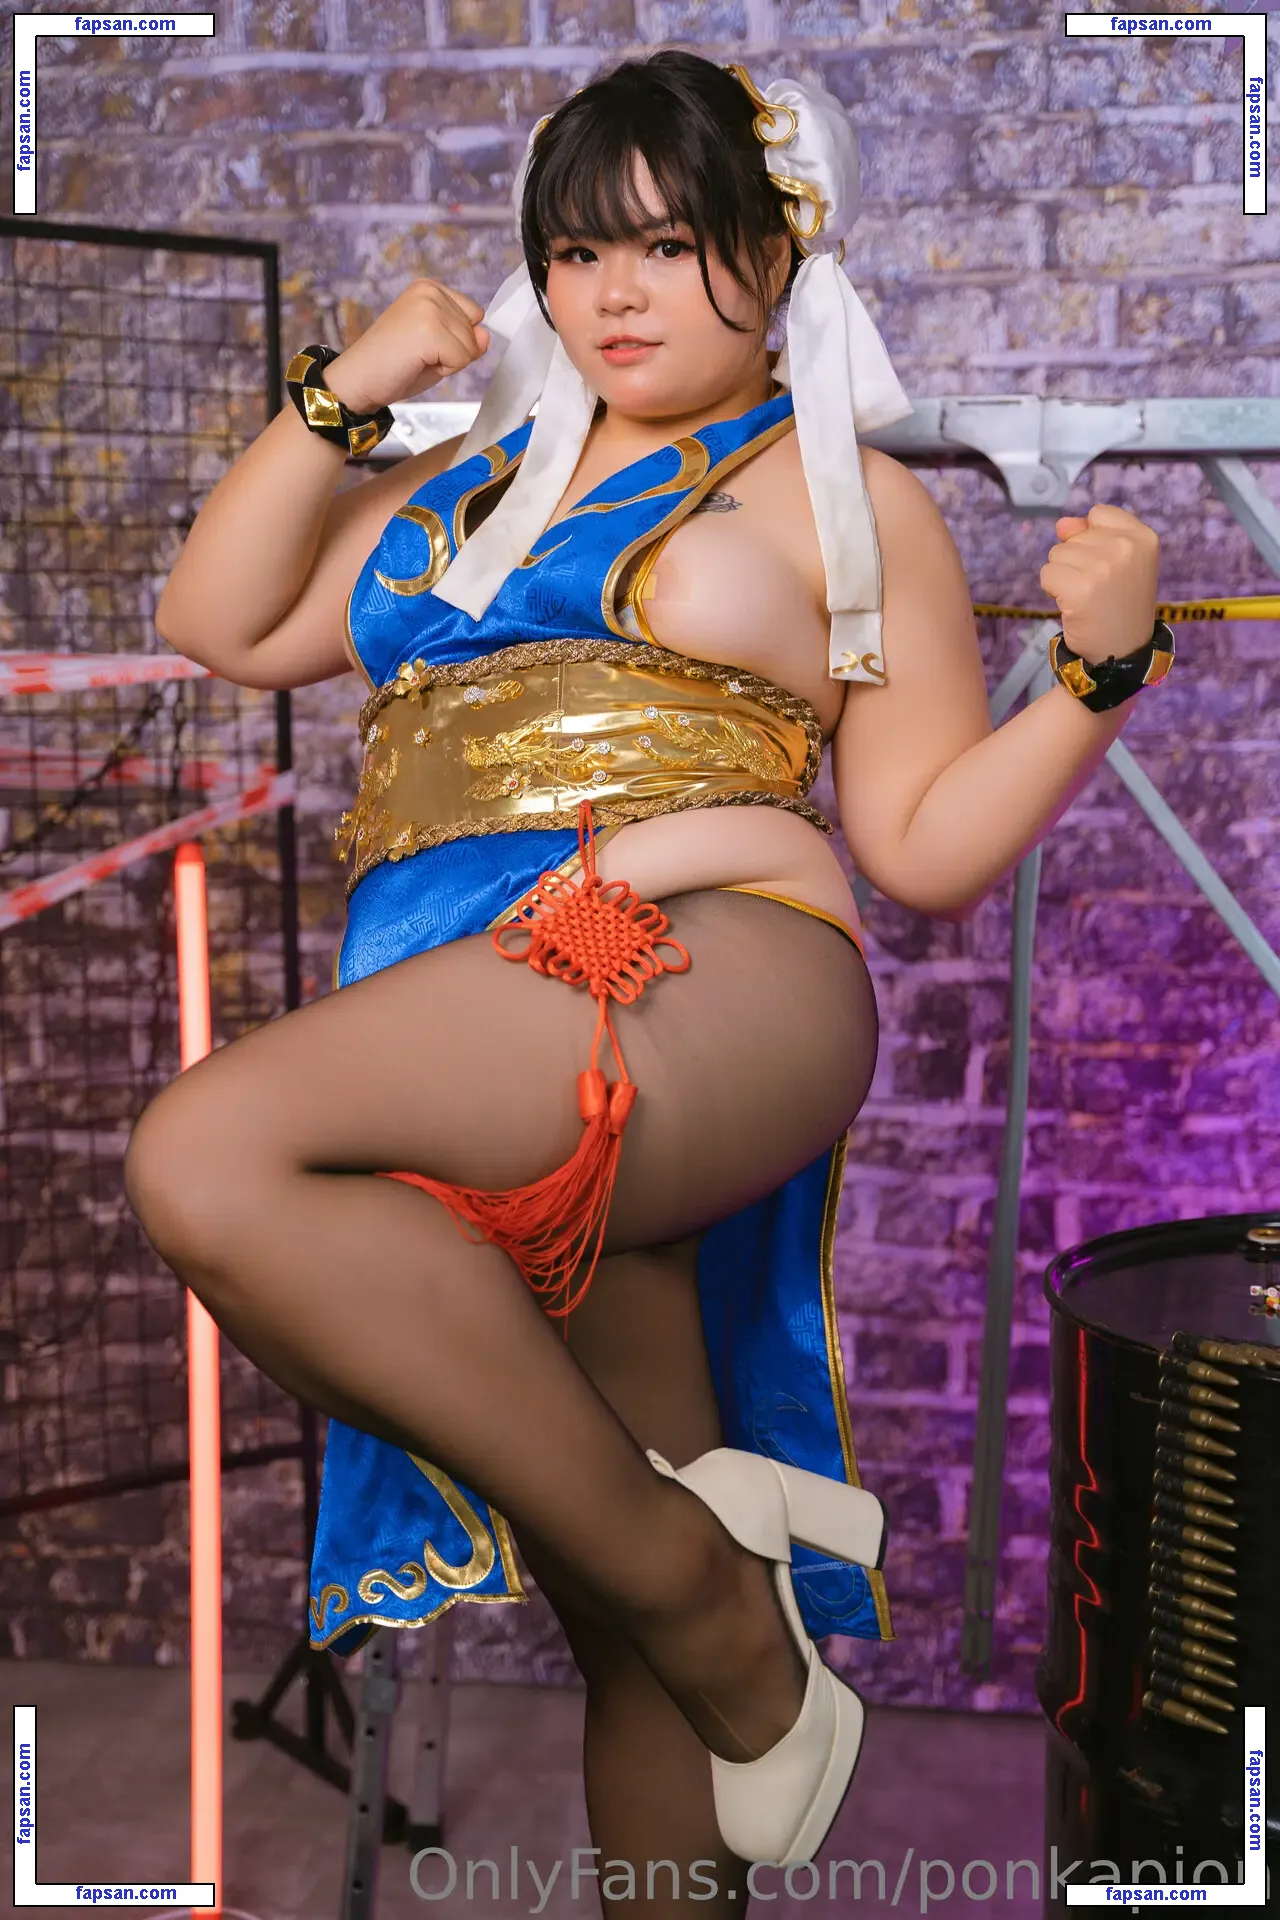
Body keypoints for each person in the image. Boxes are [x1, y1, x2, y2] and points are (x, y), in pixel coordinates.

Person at [127, 48, 1167, 1909]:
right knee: (620, 1608)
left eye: (671, 247)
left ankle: (717, 1601)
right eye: (577, 252)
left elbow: (921, 842)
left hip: (701, 974)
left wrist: (1101, 673)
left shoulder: (845, 498)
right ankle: (698, 1592)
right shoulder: (476, 482)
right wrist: (346, 395)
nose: (615, 294)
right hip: (472, 1005)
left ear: (779, 249)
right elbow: (217, 618)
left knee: (208, 1152)